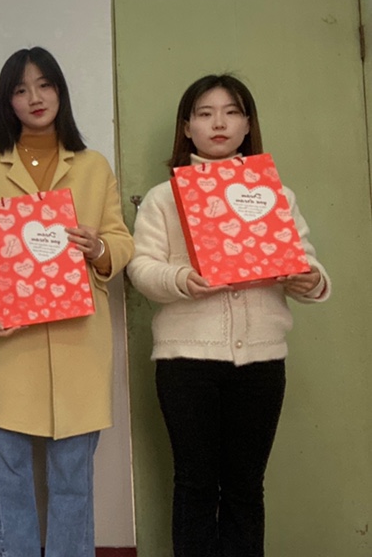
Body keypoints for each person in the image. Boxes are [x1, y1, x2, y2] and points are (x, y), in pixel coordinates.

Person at [126, 73, 330, 557]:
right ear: (187, 128)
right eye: (205, 113)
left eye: (232, 112)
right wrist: (182, 279)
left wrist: (311, 279)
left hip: (262, 362)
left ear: (247, 125)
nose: (219, 123)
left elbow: (306, 261)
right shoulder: (162, 197)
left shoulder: (276, 194)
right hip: (186, 363)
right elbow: (140, 267)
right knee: (194, 485)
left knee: (245, 487)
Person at [0, 46, 134, 557]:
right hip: (8, 342)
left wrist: (99, 248)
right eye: (20, 89)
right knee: (8, 478)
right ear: (7, 101)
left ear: (60, 91)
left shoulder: (93, 165)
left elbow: (121, 240)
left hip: (79, 343)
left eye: (44, 85)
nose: (34, 97)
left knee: (73, 479)